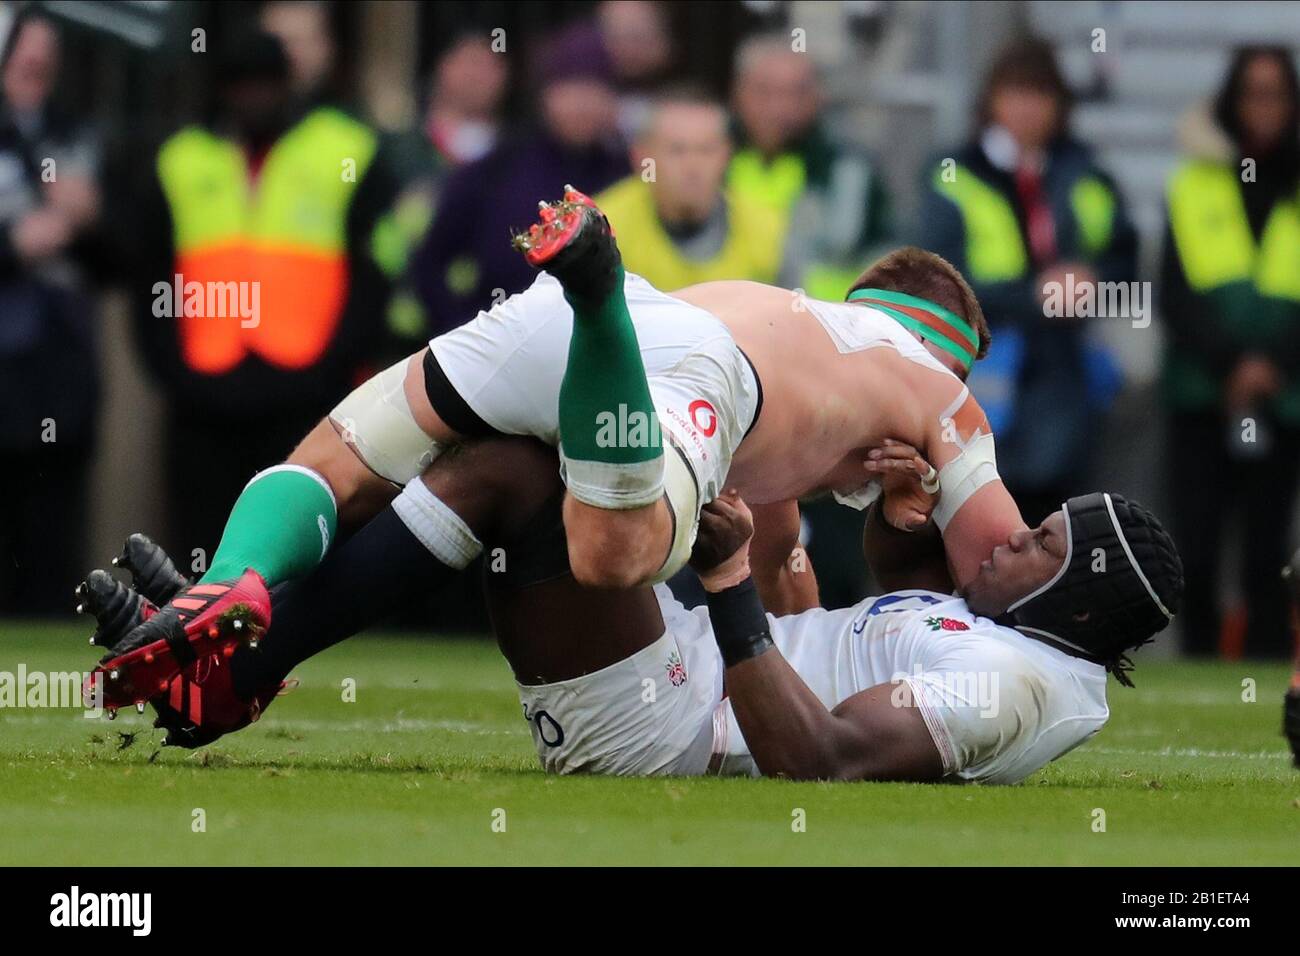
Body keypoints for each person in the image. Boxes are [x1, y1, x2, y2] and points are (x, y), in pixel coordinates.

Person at [92, 185, 1027, 711]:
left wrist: (886, 526)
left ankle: (239, 585)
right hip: (689, 368)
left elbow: (779, 561)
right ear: (949, 351)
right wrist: (925, 529)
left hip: (621, 320)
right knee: (607, 550)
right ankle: (595, 289)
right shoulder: (937, 391)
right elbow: (1004, 577)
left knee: (336, 462)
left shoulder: (792, 317)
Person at [82, 436, 1182, 787]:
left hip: (665, 728)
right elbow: (901, 614)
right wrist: (897, 515)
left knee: (512, 472)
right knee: (535, 457)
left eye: (1039, 542)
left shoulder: (1016, 685)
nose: (1010, 534)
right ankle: (231, 640)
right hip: (690, 661)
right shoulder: (1018, 644)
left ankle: (232, 654)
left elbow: (828, 758)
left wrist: (726, 579)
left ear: (1078, 596)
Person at [131, 28, 400, 566]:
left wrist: (335, 371)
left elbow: (378, 270)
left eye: (265, 86)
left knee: (301, 543)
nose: (254, 99)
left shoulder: (348, 150)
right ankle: (198, 645)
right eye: (241, 86)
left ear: (288, 86)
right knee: (200, 547)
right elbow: (150, 277)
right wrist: (173, 373)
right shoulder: (180, 159)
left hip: (306, 388)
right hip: (204, 390)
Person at [917, 37, 1137, 526]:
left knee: (1062, 524)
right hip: (985, 366)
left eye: (1040, 95)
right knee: (983, 517)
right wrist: (1033, 295)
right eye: (1015, 93)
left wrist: (1090, 280)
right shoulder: (954, 173)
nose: (1027, 110)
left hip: (1070, 370)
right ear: (991, 100)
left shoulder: (1086, 175)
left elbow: (1127, 259)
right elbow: (936, 275)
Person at [1161, 46, 1300, 659]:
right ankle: (1199, 656)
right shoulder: (1194, 181)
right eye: (1253, 93)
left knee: (1269, 546)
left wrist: (1272, 365)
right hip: (1203, 393)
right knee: (1198, 540)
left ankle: (1267, 663)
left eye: (1275, 94)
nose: (1264, 108)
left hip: (1285, 395)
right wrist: (1232, 367)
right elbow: (1172, 291)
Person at [412, 22, 628, 334]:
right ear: (545, 96)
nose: (583, 104)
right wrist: (462, 336)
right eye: (570, 89)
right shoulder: (495, 169)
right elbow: (430, 264)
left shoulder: (624, 175)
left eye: (596, 89)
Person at [0, 12, 101, 615]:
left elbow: (124, 254)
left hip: (58, 360)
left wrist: (86, 220)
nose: (35, 67)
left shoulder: (75, 135)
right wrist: (14, 246)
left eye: (46, 56)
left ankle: (42, 646)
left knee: (50, 520)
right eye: (23, 55)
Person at [728, 31, 892, 302]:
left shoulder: (851, 170)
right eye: (765, 91)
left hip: (822, 325)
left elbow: (886, 257)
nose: (780, 107)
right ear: (738, 92)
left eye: (796, 92)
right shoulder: (708, 158)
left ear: (818, 96)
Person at [595, 88, 785, 289]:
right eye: (677, 150)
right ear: (642, 156)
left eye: (706, 150)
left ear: (726, 155)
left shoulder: (769, 229)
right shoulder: (602, 229)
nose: (693, 166)